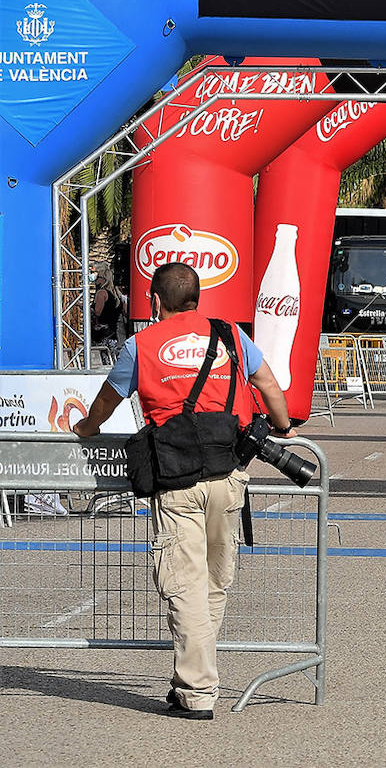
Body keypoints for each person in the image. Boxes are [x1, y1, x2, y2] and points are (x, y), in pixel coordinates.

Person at [73, 262, 295, 719]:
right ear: (198, 299)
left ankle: (197, 692)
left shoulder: (141, 345)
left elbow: (107, 402)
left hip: (176, 481)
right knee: (214, 580)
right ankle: (191, 678)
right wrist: (283, 426)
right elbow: (269, 384)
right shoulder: (231, 335)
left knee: (185, 585)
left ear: (154, 302)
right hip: (229, 474)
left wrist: (86, 428)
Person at [90, 261, 124, 348]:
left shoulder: (101, 293)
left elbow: (97, 312)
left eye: (94, 273)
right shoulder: (114, 293)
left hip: (101, 337)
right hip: (112, 335)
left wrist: (83, 307)